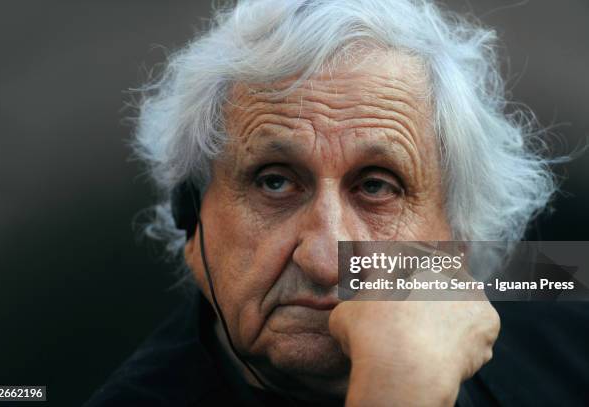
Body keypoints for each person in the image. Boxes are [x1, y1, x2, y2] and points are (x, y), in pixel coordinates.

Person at [85, 0, 589, 405]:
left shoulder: (564, 324)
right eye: (275, 183)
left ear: (457, 235)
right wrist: (398, 387)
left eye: (376, 186)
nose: (327, 261)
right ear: (191, 221)